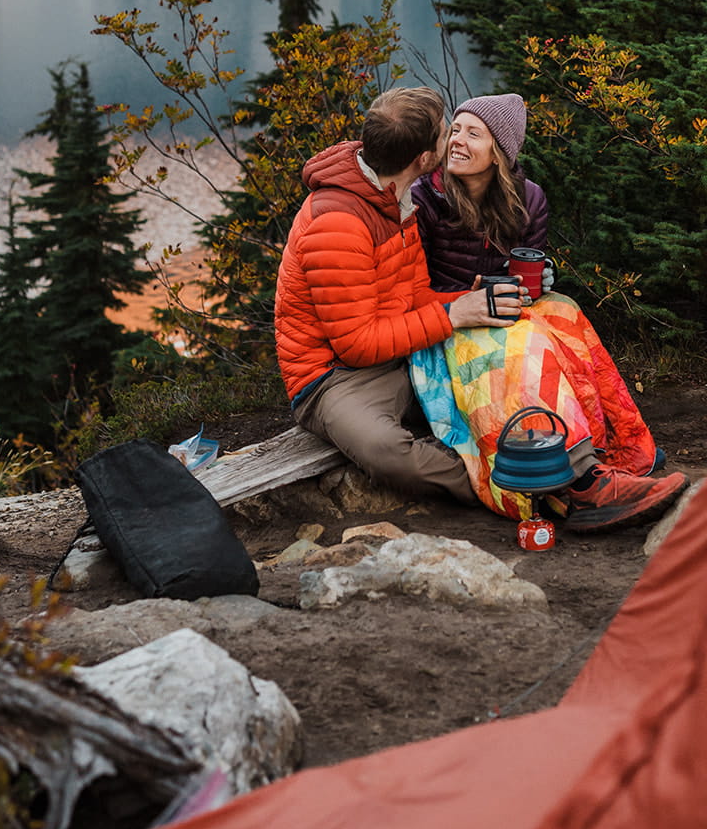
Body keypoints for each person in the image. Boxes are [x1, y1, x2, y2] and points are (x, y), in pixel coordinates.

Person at [276, 86, 683, 531]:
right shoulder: (340, 223)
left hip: (403, 347)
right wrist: (455, 315)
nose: (451, 140)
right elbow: (355, 345)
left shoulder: (398, 200)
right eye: (446, 132)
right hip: (333, 377)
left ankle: (583, 473)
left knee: (512, 346)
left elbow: (416, 297)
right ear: (423, 157)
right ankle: (534, 483)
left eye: (470, 132)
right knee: (388, 453)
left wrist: (475, 303)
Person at [411, 93, 686, 531]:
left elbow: (527, 263)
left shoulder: (529, 198)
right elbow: (409, 289)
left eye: (473, 134)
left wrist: (539, 280)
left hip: (504, 307)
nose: (457, 142)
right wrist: (469, 298)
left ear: (499, 153)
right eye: (455, 130)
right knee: (525, 343)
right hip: (447, 321)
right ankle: (575, 484)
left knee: (565, 311)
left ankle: (606, 451)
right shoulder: (424, 198)